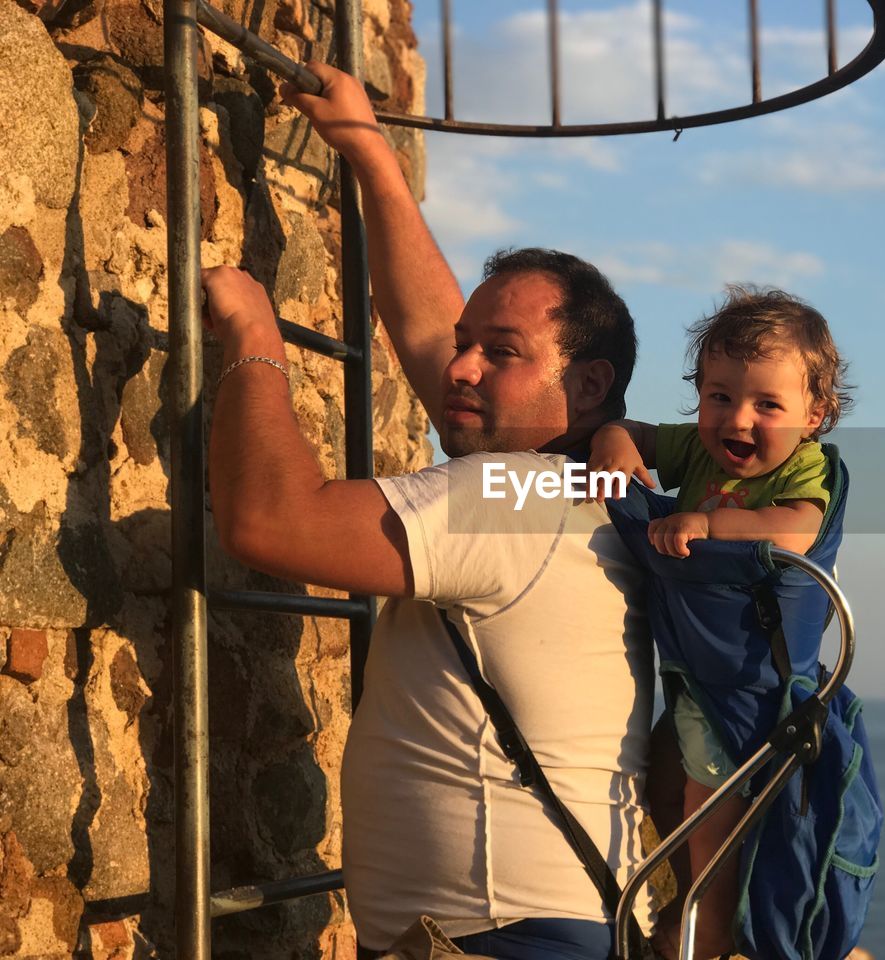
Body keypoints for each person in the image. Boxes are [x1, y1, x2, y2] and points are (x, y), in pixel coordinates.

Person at [203, 61, 655, 960]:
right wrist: (369, 152)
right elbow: (428, 336)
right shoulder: (596, 493)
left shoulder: (508, 499)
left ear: (590, 384)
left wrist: (256, 344)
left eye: (501, 352)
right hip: (554, 929)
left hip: (502, 941)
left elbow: (270, 524)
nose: (460, 368)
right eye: (466, 346)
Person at [586, 286, 852, 958]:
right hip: (693, 672)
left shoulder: (806, 467)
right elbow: (637, 435)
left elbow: (793, 532)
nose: (739, 420)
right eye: (719, 397)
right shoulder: (701, 450)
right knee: (663, 787)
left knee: (710, 823)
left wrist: (708, 523)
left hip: (746, 682)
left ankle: (702, 938)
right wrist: (614, 443)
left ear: (815, 416)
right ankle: (686, 917)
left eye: (769, 404)